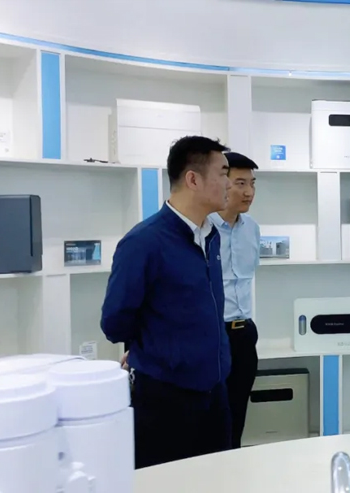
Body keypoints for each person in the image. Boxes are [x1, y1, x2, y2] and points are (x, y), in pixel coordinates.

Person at [101, 135, 233, 469]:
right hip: (165, 400)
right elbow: (115, 321)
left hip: (215, 393)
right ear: (193, 179)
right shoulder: (144, 242)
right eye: (223, 173)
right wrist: (154, 346)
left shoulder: (212, 237)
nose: (229, 184)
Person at [208, 151, 261, 449]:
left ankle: (232, 466)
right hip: (213, 335)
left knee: (238, 414)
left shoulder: (252, 228)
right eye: (240, 183)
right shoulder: (203, 227)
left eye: (252, 184)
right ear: (221, 183)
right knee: (211, 419)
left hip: (244, 334)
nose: (248, 192)